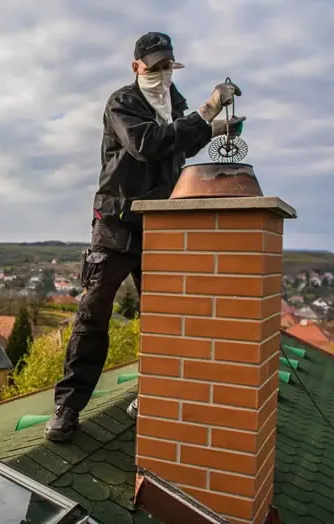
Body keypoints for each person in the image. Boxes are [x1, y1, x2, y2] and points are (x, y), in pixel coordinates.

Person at [44, 32, 246, 442]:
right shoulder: (122, 103)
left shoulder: (175, 104)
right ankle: (67, 407)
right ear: (136, 67)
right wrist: (208, 111)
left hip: (160, 226)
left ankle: (153, 393)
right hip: (117, 226)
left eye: (167, 66)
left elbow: (177, 147)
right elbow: (146, 144)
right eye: (153, 67)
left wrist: (216, 127)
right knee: (94, 313)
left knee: (164, 317)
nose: (161, 74)